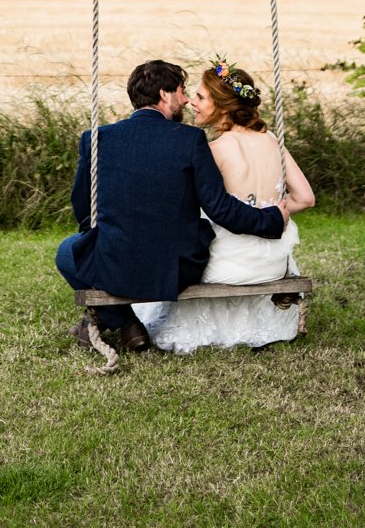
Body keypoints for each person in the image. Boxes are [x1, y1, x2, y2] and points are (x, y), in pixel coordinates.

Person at [56, 58, 288, 352]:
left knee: (67, 252)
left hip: (117, 264)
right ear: (165, 94)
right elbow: (219, 208)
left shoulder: (96, 139)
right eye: (181, 91)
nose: (186, 99)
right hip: (178, 269)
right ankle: (128, 325)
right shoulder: (191, 140)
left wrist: (106, 241)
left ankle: (126, 323)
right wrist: (271, 219)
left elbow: (83, 207)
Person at [133, 59, 315, 352]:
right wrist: (271, 213)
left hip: (228, 267)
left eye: (201, 97)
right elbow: (305, 198)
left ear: (223, 106)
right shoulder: (271, 140)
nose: (192, 101)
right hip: (270, 264)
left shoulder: (213, 149)